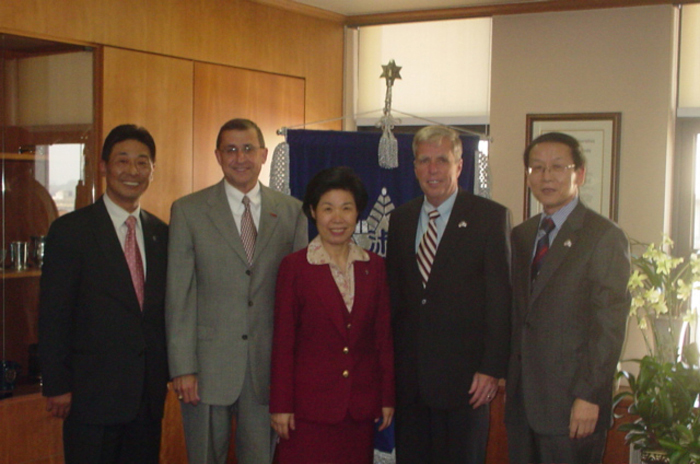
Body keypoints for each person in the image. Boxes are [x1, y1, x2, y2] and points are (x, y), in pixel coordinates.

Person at [166, 118, 308, 464]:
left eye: (248, 149)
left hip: (267, 368)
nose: (240, 157)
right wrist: (183, 366)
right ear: (217, 156)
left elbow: (300, 299)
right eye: (230, 150)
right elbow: (179, 295)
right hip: (206, 369)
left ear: (263, 154)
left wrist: (295, 370)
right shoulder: (188, 211)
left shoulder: (292, 212)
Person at [38, 124, 169, 464]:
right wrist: (56, 383)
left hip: (146, 397)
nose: (132, 171)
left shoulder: (162, 233)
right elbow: (53, 313)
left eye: (143, 163)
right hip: (89, 395)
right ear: (103, 166)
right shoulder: (71, 231)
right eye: (122, 161)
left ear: (152, 171)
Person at [386, 125, 512, 463]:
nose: (433, 169)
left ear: (460, 165)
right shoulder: (400, 219)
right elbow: (396, 301)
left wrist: (491, 368)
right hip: (411, 383)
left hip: (466, 384)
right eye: (424, 160)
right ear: (413, 168)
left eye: (442, 159)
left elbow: (500, 300)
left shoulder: (489, 217)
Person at [505, 132, 630, 464]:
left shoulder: (603, 237)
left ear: (580, 174)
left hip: (574, 408)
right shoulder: (522, 235)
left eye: (558, 167)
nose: (547, 176)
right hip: (523, 405)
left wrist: (590, 396)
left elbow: (609, 326)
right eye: (537, 167)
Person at [270, 166, 395, 464]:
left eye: (346, 208)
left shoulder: (374, 266)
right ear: (313, 212)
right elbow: (284, 342)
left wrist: (387, 396)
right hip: (306, 412)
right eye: (328, 209)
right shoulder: (295, 267)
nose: (337, 219)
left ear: (357, 214)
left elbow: (383, 338)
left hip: (359, 409)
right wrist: (280, 405)